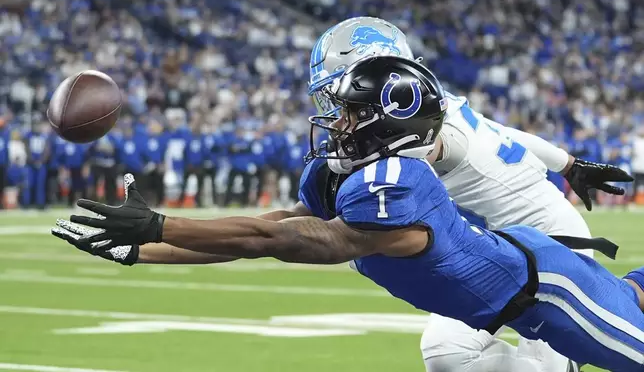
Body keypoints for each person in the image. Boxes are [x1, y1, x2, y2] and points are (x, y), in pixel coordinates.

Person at [53, 56, 644, 372]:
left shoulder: (402, 181)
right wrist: (141, 248)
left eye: (352, 114)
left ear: (391, 120)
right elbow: (272, 229)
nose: (337, 124)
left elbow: (303, 242)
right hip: (503, 292)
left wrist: (163, 225)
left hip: (549, 293)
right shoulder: (353, 178)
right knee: (450, 354)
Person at [305, 17, 633, 372]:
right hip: (496, 249)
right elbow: (503, 132)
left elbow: (426, 152)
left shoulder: (424, 133)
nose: (338, 111)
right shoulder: (438, 107)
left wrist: (344, 167)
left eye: (345, 95)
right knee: (446, 352)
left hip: (551, 244)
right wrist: (569, 165)